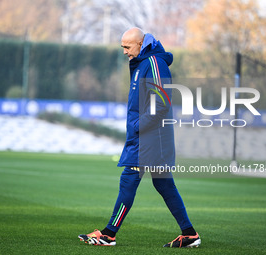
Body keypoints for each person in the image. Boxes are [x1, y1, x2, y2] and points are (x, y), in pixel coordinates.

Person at [78, 27, 201, 248]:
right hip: (149, 137)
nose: (124, 51)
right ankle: (190, 234)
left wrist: (137, 127)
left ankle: (108, 234)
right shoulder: (143, 64)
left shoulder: (154, 63)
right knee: (164, 185)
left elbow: (161, 103)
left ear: (140, 44)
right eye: (122, 47)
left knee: (129, 179)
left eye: (127, 47)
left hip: (150, 138)